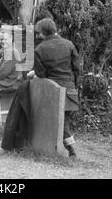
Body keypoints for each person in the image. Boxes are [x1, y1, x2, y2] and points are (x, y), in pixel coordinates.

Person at [31, 18, 80, 159]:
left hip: (52, 91)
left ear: (42, 33)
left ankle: (71, 149)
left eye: (38, 33)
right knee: (63, 121)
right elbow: (77, 69)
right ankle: (60, 148)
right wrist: (75, 86)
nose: (37, 35)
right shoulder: (69, 44)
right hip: (70, 91)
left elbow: (40, 74)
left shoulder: (39, 49)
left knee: (58, 122)